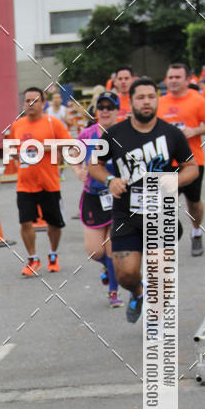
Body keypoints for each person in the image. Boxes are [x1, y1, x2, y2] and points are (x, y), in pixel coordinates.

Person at [88, 77, 198, 323]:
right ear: (131, 102)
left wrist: (174, 181)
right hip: (126, 213)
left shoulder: (172, 134)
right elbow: (94, 165)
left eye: (151, 97)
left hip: (161, 212)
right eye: (140, 97)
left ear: (157, 100)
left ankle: (156, 321)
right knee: (126, 274)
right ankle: (138, 293)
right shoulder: (114, 134)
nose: (146, 102)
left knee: (159, 273)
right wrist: (110, 180)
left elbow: (191, 167)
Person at [9, 87, 70, 276]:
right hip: (25, 183)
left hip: (49, 183)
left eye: (35, 101)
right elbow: (12, 149)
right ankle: (33, 259)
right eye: (27, 101)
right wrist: (16, 153)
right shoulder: (17, 125)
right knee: (25, 222)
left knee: (54, 224)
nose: (31, 104)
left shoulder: (53, 123)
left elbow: (69, 143)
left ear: (43, 103)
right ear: (23, 104)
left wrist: (43, 147)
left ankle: (53, 254)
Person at [72, 91, 123, 307]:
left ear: (117, 110)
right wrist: (78, 170)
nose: (105, 111)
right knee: (95, 251)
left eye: (109, 107)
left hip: (118, 197)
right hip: (93, 196)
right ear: (96, 111)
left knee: (112, 247)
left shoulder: (124, 133)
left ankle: (113, 292)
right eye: (101, 107)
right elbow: (73, 155)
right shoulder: (87, 134)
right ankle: (107, 268)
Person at [157, 62, 205, 255]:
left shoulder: (197, 101)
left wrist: (195, 130)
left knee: (193, 203)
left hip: (191, 162)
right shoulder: (160, 102)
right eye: (170, 77)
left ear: (187, 80)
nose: (173, 81)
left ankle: (196, 231)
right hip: (165, 162)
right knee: (164, 203)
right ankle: (165, 242)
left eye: (177, 77)